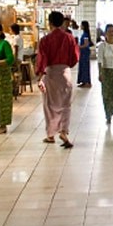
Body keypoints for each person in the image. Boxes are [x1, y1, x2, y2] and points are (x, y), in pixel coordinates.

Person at [36, 11, 79, 147]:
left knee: (49, 104)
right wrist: (67, 65)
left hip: (50, 73)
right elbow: (75, 57)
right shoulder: (69, 38)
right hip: (65, 72)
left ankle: (50, 134)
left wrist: (40, 75)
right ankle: (64, 131)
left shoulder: (45, 40)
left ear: (49, 23)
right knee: (65, 104)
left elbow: (42, 59)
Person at [77, 20, 92, 87]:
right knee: (82, 66)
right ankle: (83, 81)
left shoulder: (85, 34)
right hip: (83, 52)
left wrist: (79, 46)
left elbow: (86, 44)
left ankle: (86, 81)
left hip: (85, 52)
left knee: (85, 66)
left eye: (81, 25)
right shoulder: (84, 33)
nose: (80, 26)